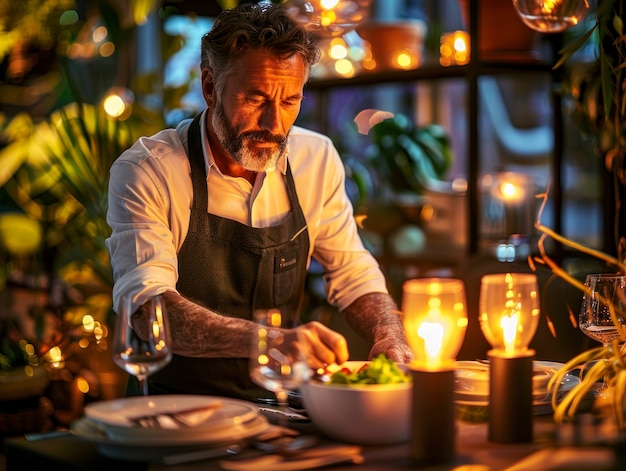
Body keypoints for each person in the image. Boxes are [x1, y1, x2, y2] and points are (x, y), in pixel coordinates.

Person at [105, 2, 413, 401]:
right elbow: (148, 310)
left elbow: (353, 273)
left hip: (280, 404)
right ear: (211, 87)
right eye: (255, 98)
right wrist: (270, 342)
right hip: (173, 411)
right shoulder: (150, 170)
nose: (274, 124)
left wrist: (389, 330)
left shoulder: (315, 158)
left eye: (290, 103)